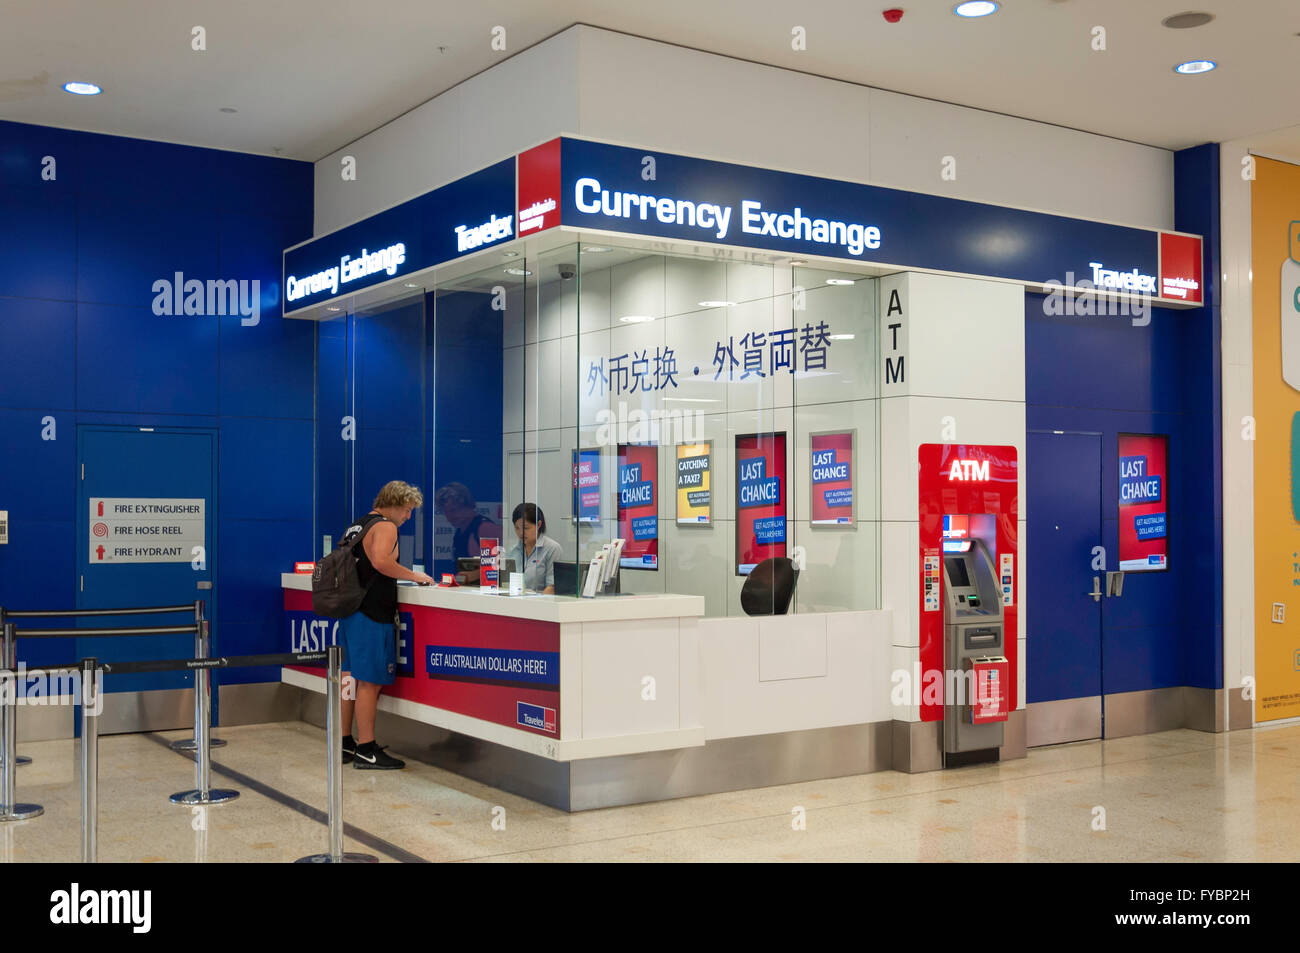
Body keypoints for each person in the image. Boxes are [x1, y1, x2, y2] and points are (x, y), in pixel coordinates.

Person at [339, 480, 434, 769]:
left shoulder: (359, 524)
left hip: (350, 610)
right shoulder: (386, 526)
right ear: (393, 504)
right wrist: (417, 576)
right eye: (406, 510)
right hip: (371, 613)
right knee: (369, 681)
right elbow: (381, 561)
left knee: (349, 676)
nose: (407, 517)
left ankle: (345, 743)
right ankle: (367, 748)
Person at [435, 481, 502, 582]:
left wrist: (472, 575)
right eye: (446, 512)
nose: (450, 516)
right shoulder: (459, 531)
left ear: (467, 505)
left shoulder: (485, 528)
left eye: (453, 510)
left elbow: (502, 565)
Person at [503, 502, 562, 595]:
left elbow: (552, 587)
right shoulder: (513, 551)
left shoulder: (552, 549)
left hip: (541, 604)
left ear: (538, 524)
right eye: (517, 528)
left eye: (525, 528)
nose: (521, 533)